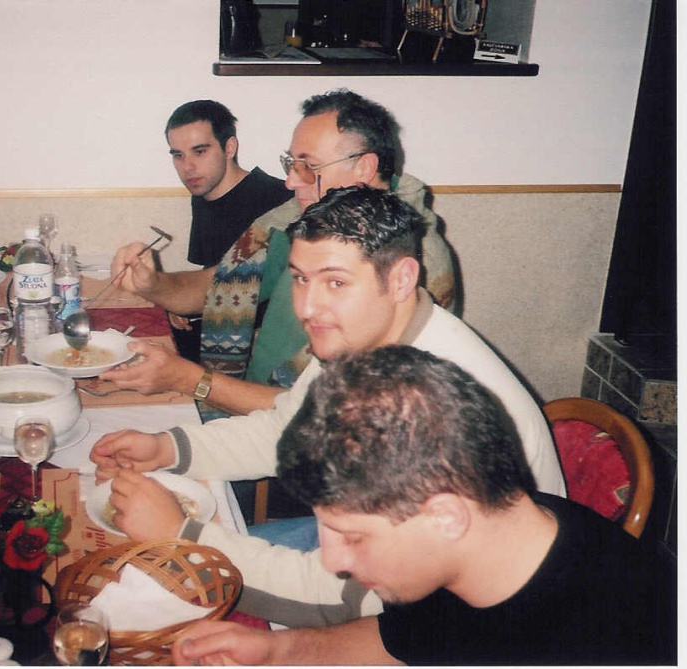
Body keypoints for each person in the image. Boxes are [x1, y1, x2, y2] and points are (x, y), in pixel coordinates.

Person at [91, 186, 564, 626]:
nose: (307, 308)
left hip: (446, 624)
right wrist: (169, 449)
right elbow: (288, 430)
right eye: (301, 279)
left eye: (335, 282)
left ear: (402, 278)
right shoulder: (364, 334)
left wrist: (183, 539)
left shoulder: (428, 405)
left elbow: (345, 596)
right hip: (373, 561)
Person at [171, 347, 676, 666]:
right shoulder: (482, 538)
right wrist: (275, 651)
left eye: (354, 536)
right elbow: (403, 641)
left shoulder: (599, 642)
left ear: (445, 517)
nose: (334, 561)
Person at [100, 89, 457, 420]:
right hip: (252, 411)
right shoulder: (297, 219)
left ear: (363, 167)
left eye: (308, 167)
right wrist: (152, 284)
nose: (290, 182)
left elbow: (332, 413)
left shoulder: (411, 265)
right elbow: (218, 285)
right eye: (291, 164)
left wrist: (189, 379)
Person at [162, 100, 295, 363]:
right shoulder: (203, 194)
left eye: (200, 152)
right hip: (218, 330)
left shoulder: (278, 201)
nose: (187, 167)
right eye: (178, 155)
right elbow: (212, 270)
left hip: (262, 349)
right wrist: (182, 303)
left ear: (230, 148)